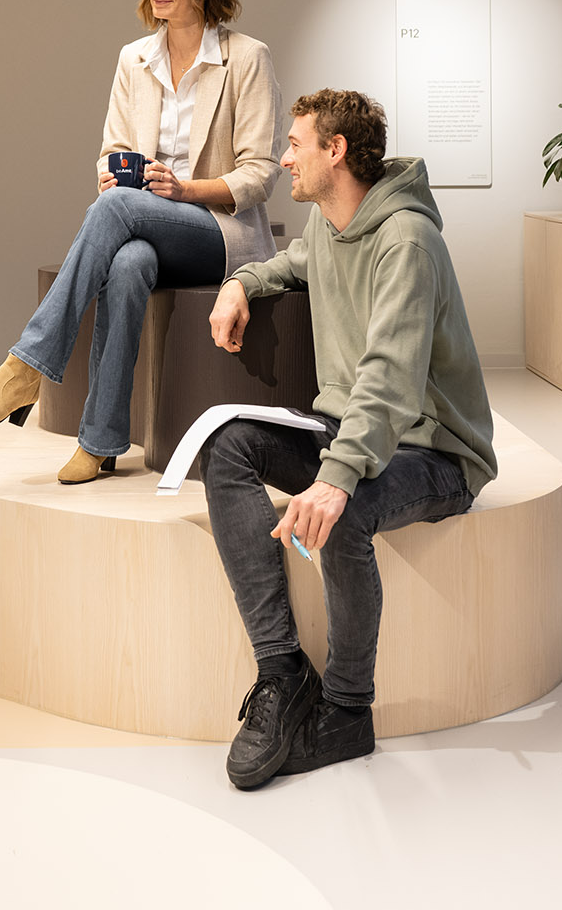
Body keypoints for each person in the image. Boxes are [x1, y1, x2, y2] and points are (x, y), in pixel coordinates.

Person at [199, 90, 496, 790]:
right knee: (227, 445)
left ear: (335, 151)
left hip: (436, 451)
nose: (284, 159)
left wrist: (334, 479)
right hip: (354, 432)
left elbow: (391, 377)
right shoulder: (329, 224)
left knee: (347, 509)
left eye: (295, 144)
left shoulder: (408, 240)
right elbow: (293, 264)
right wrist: (240, 283)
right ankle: (281, 670)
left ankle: (347, 709)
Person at [0, 0, 283, 483]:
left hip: (220, 232)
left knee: (116, 211)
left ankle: (25, 369)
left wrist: (184, 190)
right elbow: (111, 151)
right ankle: (101, 442)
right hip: (147, 223)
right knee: (128, 263)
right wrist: (114, 175)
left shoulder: (247, 57)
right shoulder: (135, 59)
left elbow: (260, 174)